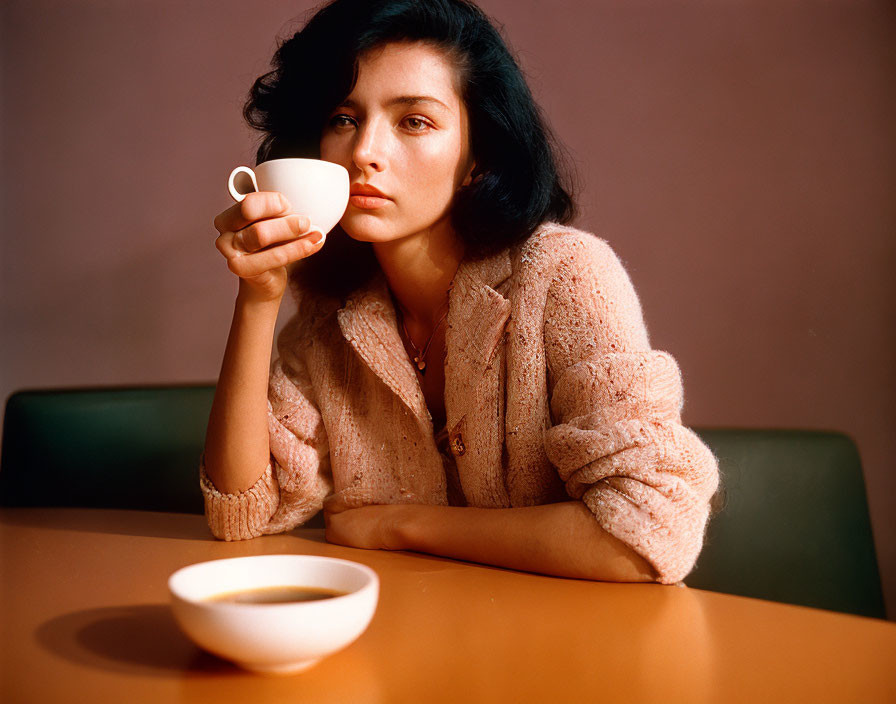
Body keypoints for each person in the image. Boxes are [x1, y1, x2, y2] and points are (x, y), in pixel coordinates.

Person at [203, 0, 720, 585]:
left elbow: (648, 533)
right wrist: (258, 297)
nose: (364, 152)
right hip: (408, 645)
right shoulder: (332, 315)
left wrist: (399, 525)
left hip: (572, 651)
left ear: (477, 158)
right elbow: (241, 512)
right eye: (344, 119)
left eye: (413, 121)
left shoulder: (564, 275)